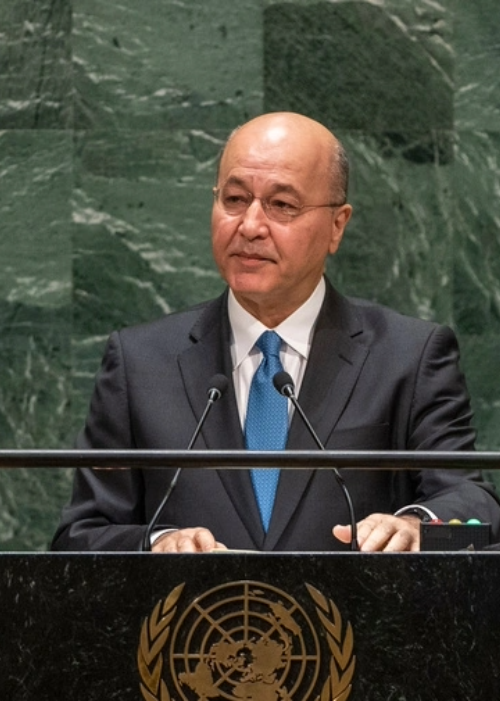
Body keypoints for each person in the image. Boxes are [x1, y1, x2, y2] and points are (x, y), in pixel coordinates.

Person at [52, 112, 500, 554]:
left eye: (282, 205)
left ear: (337, 225)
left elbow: (478, 513)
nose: (249, 226)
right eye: (234, 199)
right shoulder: (140, 362)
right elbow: (78, 539)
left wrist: (417, 527)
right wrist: (157, 544)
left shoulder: (408, 356)